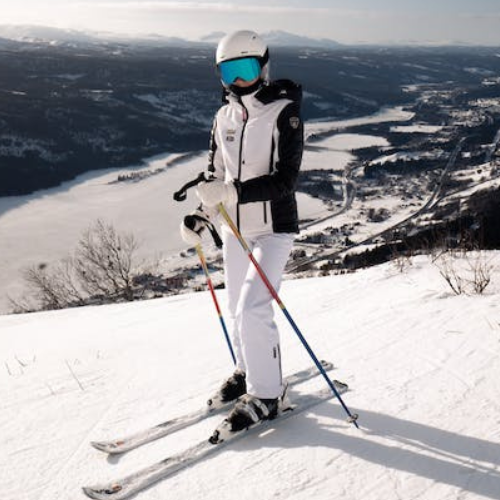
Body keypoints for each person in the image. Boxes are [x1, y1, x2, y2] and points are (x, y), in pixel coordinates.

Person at [180, 30, 304, 432]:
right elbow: (216, 175)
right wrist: (202, 215)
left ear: (263, 68)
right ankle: (246, 371)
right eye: (228, 71)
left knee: (253, 306)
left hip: (274, 229)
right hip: (235, 229)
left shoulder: (285, 113)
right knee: (237, 307)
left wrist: (231, 191)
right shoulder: (223, 117)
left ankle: (269, 395)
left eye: (245, 69)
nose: (237, 81)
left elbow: (285, 180)